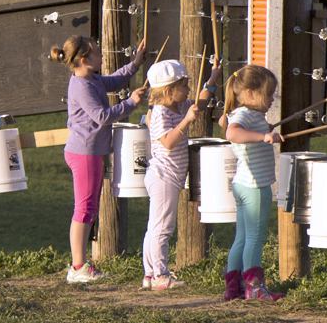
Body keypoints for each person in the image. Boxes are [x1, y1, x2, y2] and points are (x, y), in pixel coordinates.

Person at [51, 35, 150, 283]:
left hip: (89, 151)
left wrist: (136, 63)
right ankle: (77, 267)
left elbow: (113, 81)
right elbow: (102, 116)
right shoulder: (81, 87)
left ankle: (79, 265)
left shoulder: (90, 78)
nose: (101, 56)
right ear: (84, 60)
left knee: (88, 208)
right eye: (96, 53)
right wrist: (131, 103)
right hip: (85, 153)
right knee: (84, 209)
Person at [140, 58, 221, 290]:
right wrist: (186, 121)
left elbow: (201, 104)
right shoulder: (159, 113)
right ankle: (160, 276)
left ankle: (149, 274)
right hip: (164, 177)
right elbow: (167, 142)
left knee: (154, 226)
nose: (188, 90)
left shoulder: (180, 105)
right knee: (163, 228)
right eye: (184, 86)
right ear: (169, 90)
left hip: (169, 177)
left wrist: (213, 78)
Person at [220, 64, 285, 301]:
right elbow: (232, 134)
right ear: (250, 93)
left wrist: (263, 128)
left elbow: (223, 123)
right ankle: (254, 288)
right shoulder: (244, 115)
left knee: (242, 237)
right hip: (256, 186)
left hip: (243, 184)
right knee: (255, 238)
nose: (271, 100)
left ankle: (233, 287)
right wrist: (264, 135)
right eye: (268, 94)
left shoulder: (243, 113)